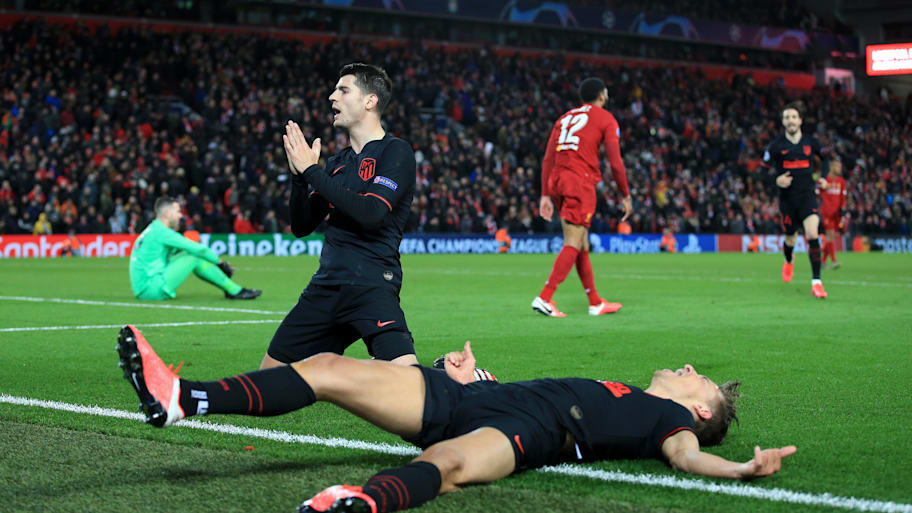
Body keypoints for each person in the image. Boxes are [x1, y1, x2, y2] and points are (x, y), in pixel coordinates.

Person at [115, 325, 796, 513]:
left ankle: (358, 502)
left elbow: (686, 459)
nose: (684, 364)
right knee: (325, 366)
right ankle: (183, 397)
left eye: (695, 374)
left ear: (700, 406)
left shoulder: (669, 425)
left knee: (443, 468)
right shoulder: (630, 388)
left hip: (528, 435)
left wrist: (739, 466)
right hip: (479, 399)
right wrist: (475, 376)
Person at [262, 62, 418, 369]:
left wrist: (311, 171)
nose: (332, 97)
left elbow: (372, 213)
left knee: (412, 387)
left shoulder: (396, 152)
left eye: (343, 90)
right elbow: (302, 226)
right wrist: (298, 178)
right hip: (326, 286)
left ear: (370, 101)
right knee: (267, 378)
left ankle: (463, 380)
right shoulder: (337, 163)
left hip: (371, 285)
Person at [533, 77, 633, 318]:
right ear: (602, 95)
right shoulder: (605, 118)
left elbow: (547, 158)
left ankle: (595, 302)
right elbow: (616, 162)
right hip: (579, 181)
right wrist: (626, 194)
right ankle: (545, 297)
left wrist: (545, 194)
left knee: (582, 243)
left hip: (558, 180)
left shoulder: (564, 118)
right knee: (573, 241)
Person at [129, 196, 261, 300]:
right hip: (152, 289)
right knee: (194, 255)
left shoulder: (153, 229)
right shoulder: (162, 232)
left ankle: (233, 290)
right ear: (168, 214)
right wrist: (220, 263)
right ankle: (234, 290)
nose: (181, 215)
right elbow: (200, 249)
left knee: (192, 255)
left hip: (143, 288)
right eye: (178, 211)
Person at [761, 102, 829, 299]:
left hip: (808, 196)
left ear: (800, 120)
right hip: (787, 200)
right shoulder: (775, 146)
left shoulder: (812, 142)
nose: (790, 120)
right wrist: (776, 179)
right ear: (783, 122)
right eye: (787, 117)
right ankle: (789, 260)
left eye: (793, 117)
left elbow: (825, 159)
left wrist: (823, 177)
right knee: (790, 238)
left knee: (811, 233)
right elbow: (762, 171)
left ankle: (817, 282)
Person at [818, 160, 847, 269]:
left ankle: (823, 261)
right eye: (837, 166)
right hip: (826, 213)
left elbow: (843, 197)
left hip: (837, 214)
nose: (839, 169)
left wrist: (843, 209)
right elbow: (817, 194)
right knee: (830, 235)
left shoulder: (841, 182)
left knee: (831, 237)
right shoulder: (825, 181)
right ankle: (834, 261)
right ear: (831, 167)